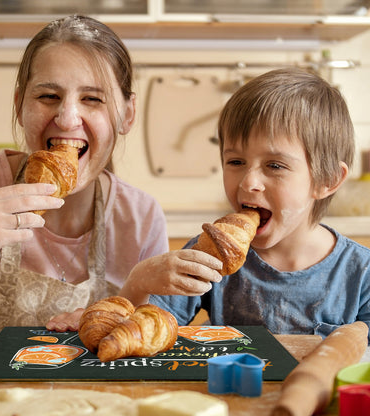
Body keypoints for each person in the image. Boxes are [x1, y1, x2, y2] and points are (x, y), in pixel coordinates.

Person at [0, 15, 171, 336]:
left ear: (127, 114)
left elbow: (155, 335)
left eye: (93, 99)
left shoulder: (140, 218)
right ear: (19, 105)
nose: (68, 118)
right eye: (48, 96)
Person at [146, 67, 370, 340]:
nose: (248, 182)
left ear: (328, 180)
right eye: (236, 162)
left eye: (275, 165)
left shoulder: (361, 274)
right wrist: (141, 280)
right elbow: (149, 330)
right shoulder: (210, 253)